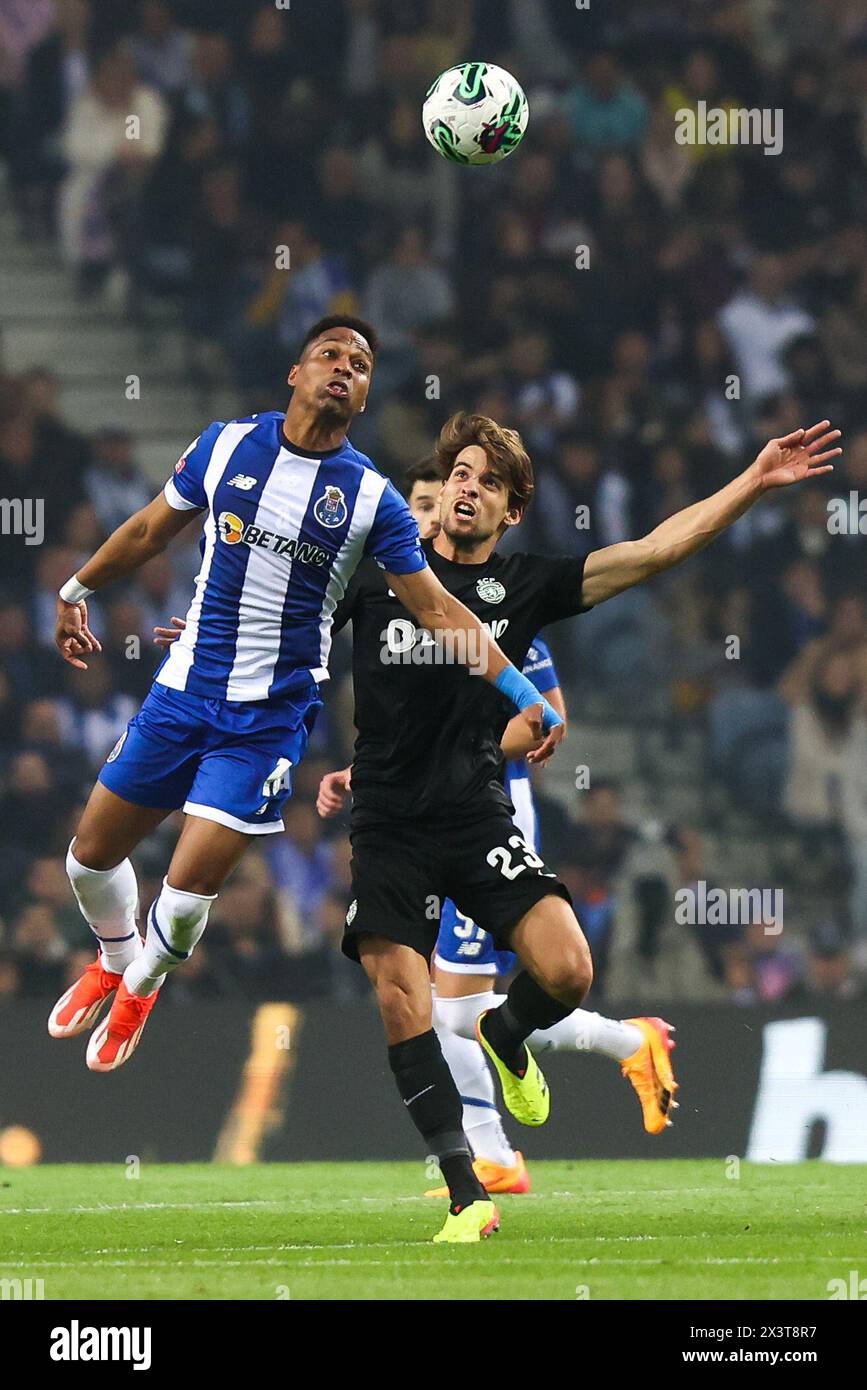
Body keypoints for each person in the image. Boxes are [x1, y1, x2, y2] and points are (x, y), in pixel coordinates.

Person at [316, 410, 840, 1243]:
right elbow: (284, 617)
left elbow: (656, 550)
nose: (467, 488)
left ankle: (505, 1029)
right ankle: (466, 1193)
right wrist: (206, 643)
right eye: (459, 474)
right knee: (402, 1000)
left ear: (509, 511)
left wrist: (749, 481)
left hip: (474, 812)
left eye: (488, 482)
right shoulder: (379, 574)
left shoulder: (524, 587)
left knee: (566, 968)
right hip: (387, 824)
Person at [47, 317, 564, 1085]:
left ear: (360, 397)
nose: (343, 368)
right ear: (296, 372)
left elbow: (437, 611)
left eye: (359, 364)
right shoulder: (225, 444)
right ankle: (118, 958)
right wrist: (76, 589)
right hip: (182, 693)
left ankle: (143, 988)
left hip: (265, 722)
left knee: (187, 894)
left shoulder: (370, 498)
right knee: (88, 860)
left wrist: (524, 693)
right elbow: (154, 527)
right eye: (330, 354)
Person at [315, 457, 674, 1205]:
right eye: (424, 499)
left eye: (433, 500)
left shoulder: (497, 605)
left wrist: (468, 742)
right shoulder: (381, 590)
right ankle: (497, 1146)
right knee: (446, 1008)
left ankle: (595, 1062)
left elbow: (545, 715)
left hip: (487, 811)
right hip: (404, 820)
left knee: (461, 1007)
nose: (428, 514)